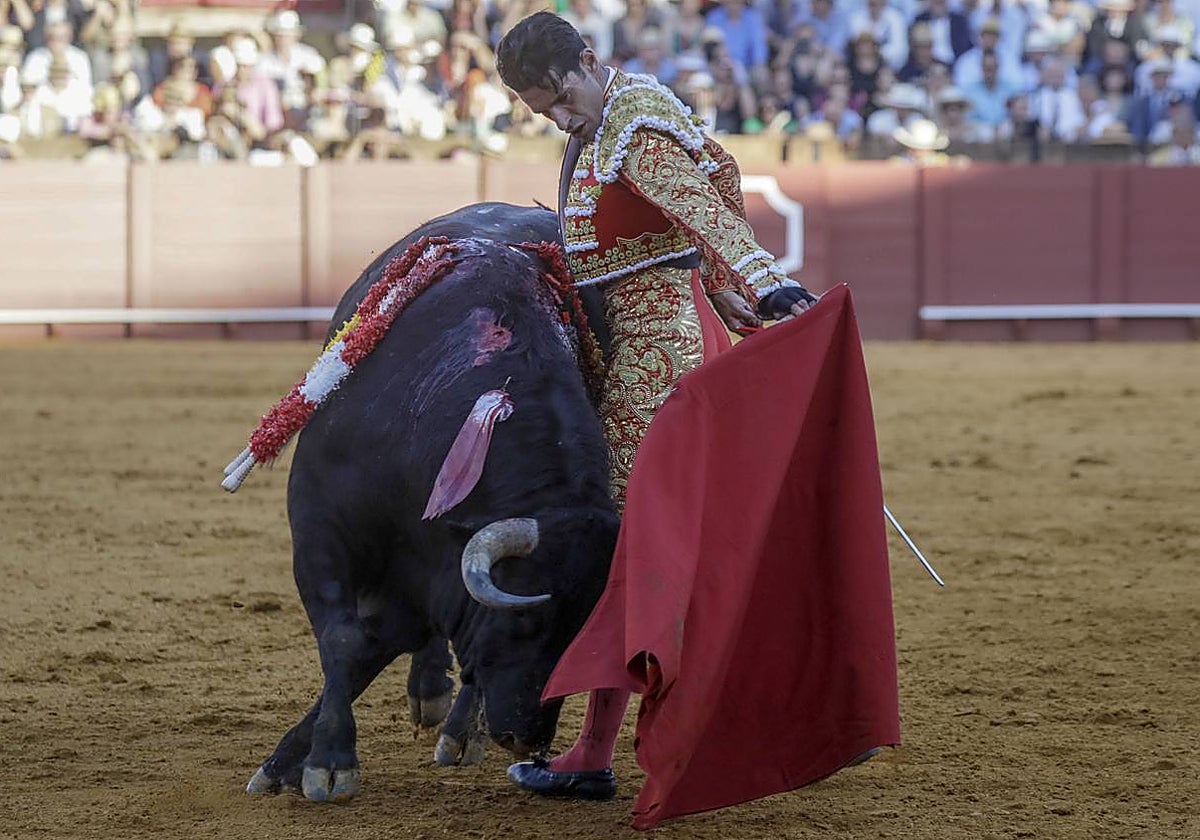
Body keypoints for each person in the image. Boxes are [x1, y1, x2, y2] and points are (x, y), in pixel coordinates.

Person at [492, 10, 897, 824]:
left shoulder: (633, 128)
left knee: (640, 548)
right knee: (648, 546)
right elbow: (704, 191)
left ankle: (625, 747)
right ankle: (604, 749)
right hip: (654, 338)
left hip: (659, 357)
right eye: (542, 113)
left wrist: (762, 280)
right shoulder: (617, 117)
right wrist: (718, 288)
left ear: (586, 60)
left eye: (558, 99)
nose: (558, 118)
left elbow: (702, 206)